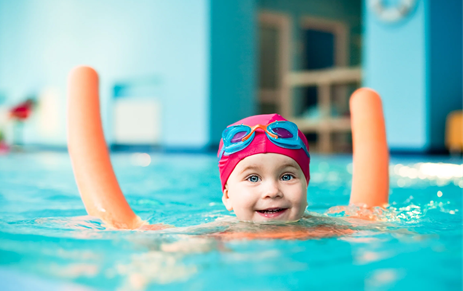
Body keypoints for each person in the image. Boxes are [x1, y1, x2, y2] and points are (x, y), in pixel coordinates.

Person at [67, 66, 389, 236]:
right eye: (252, 178)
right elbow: (155, 238)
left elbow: (371, 226)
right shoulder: (220, 233)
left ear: (307, 186)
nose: (272, 191)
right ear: (226, 196)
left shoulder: (323, 228)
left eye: (288, 175)